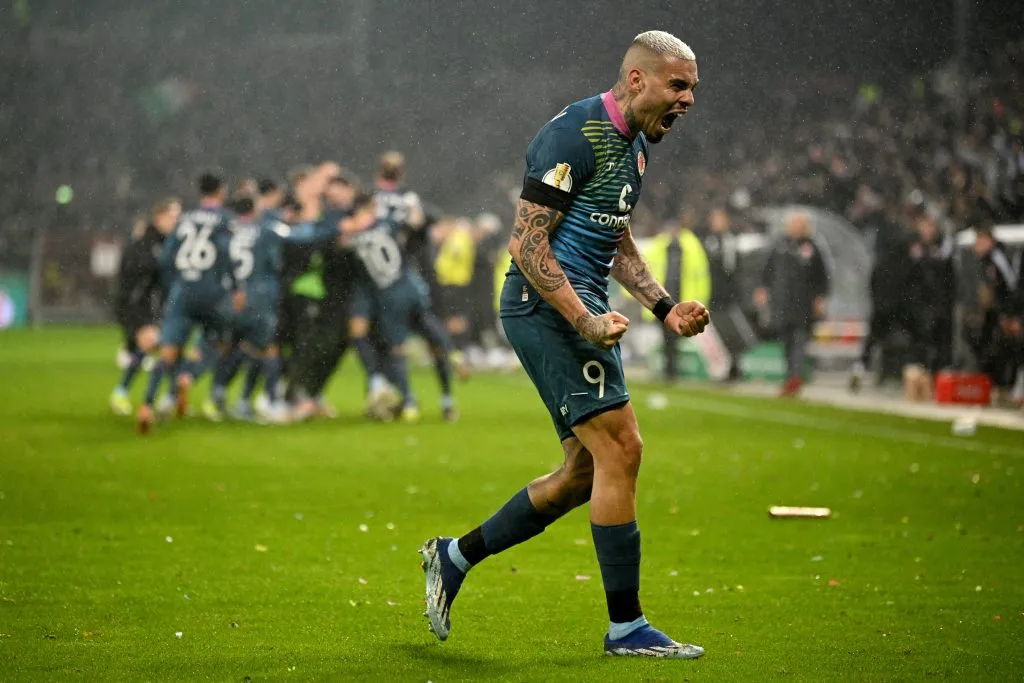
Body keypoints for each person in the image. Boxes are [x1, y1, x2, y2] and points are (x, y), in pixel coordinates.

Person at [419, 30, 709, 658]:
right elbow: (526, 245)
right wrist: (584, 319)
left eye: (692, 88)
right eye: (677, 85)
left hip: (579, 312)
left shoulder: (634, 146)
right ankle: (627, 629)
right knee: (623, 448)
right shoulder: (572, 135)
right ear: (637, 79)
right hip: (545, 307)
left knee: (583, 473)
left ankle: (454, 556)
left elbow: (616, 233)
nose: (688, 100)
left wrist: (663, 306)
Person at [137, 172, 245, 433]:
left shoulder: (184, 218)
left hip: (183, 291)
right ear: (221, 191)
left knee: (167, 352)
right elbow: (229, 255)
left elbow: (166, 259)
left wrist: (174, 286)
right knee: (219, 342)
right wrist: (237, 288)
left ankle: (147, 405)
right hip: (212, 293)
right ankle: (188, 376)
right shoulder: (225, 220)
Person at [345, 193, 459, 422]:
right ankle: (449, 390)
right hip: (412, 289)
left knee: (397, 349)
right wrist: (411, 205)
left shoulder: (353, 238)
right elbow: (417, 222)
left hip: (391, 296)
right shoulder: (387, 224)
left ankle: (408, 401)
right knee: (432, 336)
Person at [109, 197, 181, 415]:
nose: (176, 222)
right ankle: (129, 395)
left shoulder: (166, 242)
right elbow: (135, 278)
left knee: (163, 348)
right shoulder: (146, 243)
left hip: (156, 306)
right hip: (137, 305)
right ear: (159, 217)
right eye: (172, 217)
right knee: (155, 343)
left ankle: (160, 397)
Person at [754, 212, 829, 397]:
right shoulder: (780, 245)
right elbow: (767, 270)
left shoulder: (812, 247)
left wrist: (820, 298)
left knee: (799, 341)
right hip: (782, 304)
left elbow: (822, 277)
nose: (796, 227)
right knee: (787, 342)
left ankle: (795, 379)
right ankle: (790, 377)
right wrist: (763, 288)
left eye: (799, 224)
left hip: (803, 304)